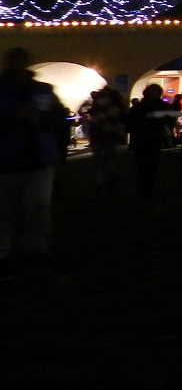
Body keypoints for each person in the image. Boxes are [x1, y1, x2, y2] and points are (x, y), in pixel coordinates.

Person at [0, 47, 71, 278]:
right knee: (6, 212)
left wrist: (40, 120)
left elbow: (59, 120)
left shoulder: (41, 91)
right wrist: (15, 120)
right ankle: (5, 254)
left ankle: (37, 252)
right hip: (7, 160)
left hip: (39, 159)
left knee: (38, 209)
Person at [126, 84, 172, 198]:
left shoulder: (160, 105)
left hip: (154, 136)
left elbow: (168, 118)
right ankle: (144, 185)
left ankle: (148, 187)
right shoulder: (141, 106)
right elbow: (131, 120)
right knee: (141, 163)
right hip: (142, 136)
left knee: (151, 163)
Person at [86, 86, 128, 194]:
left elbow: (121, 120)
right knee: (104, 161)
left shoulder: (112, 108)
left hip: (108, 136)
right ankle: (104, 183)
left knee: (107, 160)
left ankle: (106, 183)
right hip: (103, 136)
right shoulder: (99, 108)